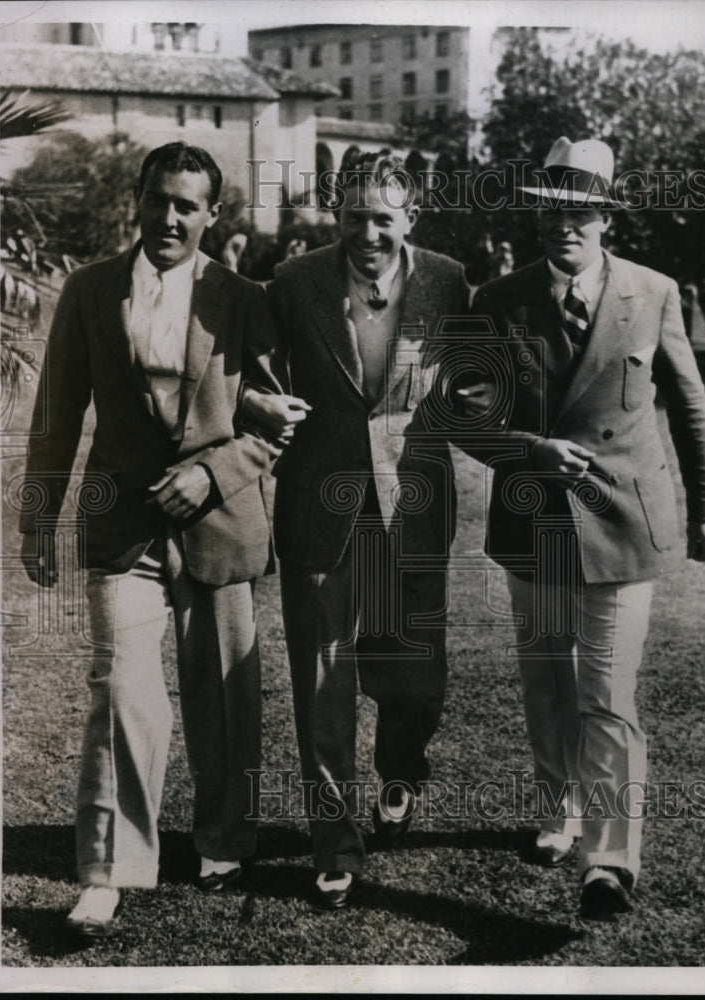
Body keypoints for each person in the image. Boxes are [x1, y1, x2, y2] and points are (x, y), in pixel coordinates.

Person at [19, 142, 287, 938]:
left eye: (186, 206)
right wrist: (40, 517)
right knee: (121, 687)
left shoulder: (242, 297)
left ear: (211, 216)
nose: (169, 218)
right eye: (157, 200)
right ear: (136, 201)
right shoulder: (90, 290)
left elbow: (279, 421)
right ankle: (109, 869)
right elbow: (56, 411)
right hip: (123, 527)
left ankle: (223, 837)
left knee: (222, 690)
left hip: (222, 517)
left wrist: (212, 475)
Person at [458, 137, 705, 920]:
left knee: (607, 690)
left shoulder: (656, 292)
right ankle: (557, 809)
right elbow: (463, 417)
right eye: (549, 215)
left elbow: (691, 409)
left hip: (623, 525)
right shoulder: (497, 301)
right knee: (546, 681)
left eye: (578, 214)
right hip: (532, 519)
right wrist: (529, 451)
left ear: (604, 218)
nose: (562, 228)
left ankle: (609, 862)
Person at [244, 148, 469, 908]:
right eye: (353, 216)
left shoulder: (446, 280)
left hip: (413, 503)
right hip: (320, 505)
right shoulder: (294, 280)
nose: (366, 233)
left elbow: (468, 385)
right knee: (323, 680)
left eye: (383, 218)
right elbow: (255, 375)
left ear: (412, 217)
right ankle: (333, 840)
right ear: (334, 212)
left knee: (413, 678)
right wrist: (255, 404)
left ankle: (401, 767)